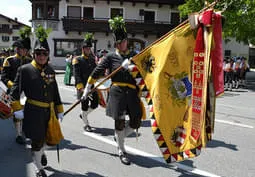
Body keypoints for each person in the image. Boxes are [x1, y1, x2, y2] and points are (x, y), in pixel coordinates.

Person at [82, 16, 143, 165]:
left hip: (133, 92)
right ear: (115, 43)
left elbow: (145, 71)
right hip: (117, 91)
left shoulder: (134, 55)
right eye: (119, 43)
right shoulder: (110, 57)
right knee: (120, 122)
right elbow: (96, 72)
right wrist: (86, 90)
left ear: (127, 41)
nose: (122, 44)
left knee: (136, 121)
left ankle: (118, 136)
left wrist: (133, 66)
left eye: (124, 42)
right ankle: (121, 150)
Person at [9, 25, 64, 177]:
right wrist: (17, 108)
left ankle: (40, 153)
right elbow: (14, 91)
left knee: (50, 139)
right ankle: (38, 166)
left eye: (44, 53)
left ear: (48, 54)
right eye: (38, 53)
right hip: (33, 112)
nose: (41, 56)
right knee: (37, 140)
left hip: (49, 112)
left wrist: (59, 110)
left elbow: (55, 93)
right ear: (34, 54)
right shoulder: (25, 69)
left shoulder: (50, 70)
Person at [1, 32, 32, 144]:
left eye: (25, 49)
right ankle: (18, 135)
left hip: (27, 92)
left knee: (27, 112)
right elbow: (4, 78)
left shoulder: (29, 61)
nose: (24, 51)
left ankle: (24, 130)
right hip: (14, 91)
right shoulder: (9, 60)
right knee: (18, 113)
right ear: (18, 49)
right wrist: (13, 85)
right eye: (22, 49)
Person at [72, 32, 99, 132]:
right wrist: (81, 88)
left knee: (95, 104)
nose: (88, 50)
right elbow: (76, 75)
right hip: (82, 87)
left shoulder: (92, 60)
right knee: (84, 105)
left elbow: (96, 73)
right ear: (83, 49)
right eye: (87, 48)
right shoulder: (77, 60)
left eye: (89, 48)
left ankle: (83, 115)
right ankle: (86, 124)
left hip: (91, 86)